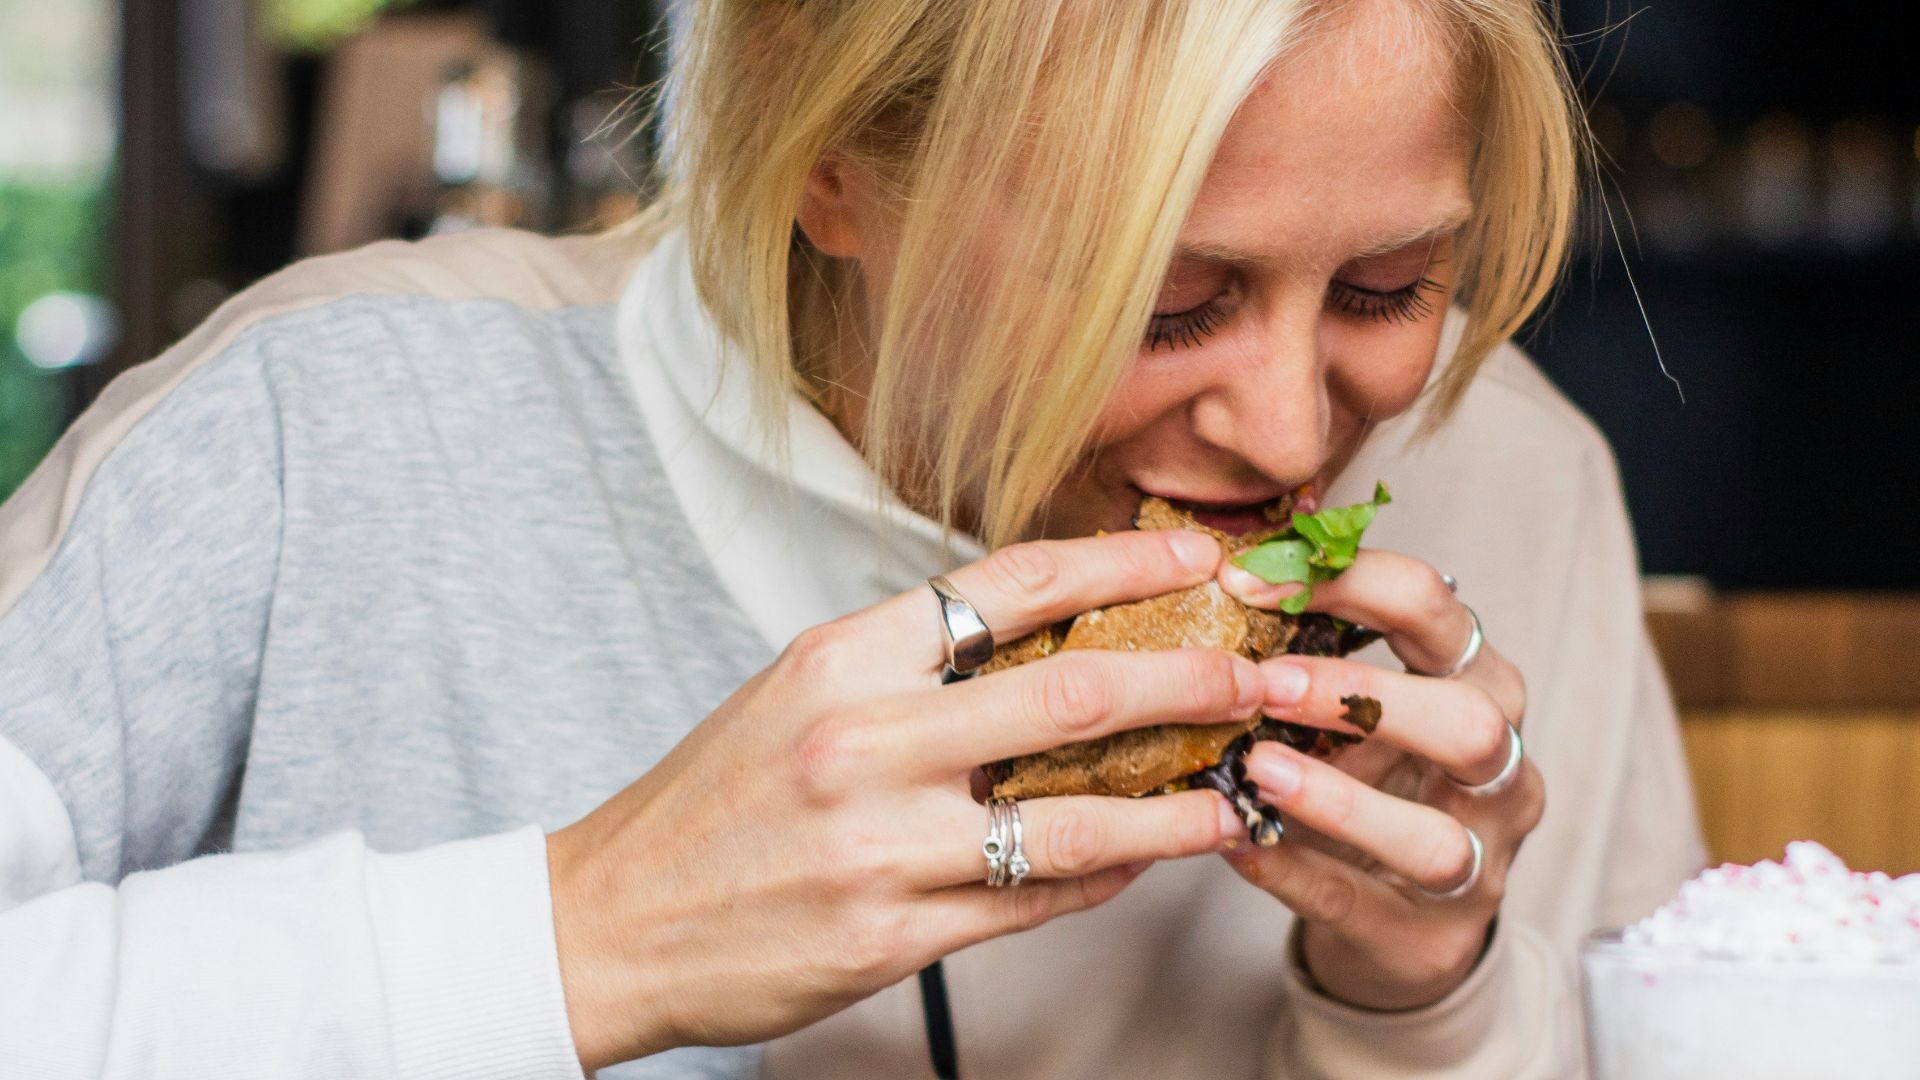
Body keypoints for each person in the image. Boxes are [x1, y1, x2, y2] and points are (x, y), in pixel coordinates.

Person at [0, 0, 1706, 1076]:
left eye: (1390, 290)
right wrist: (584, 932)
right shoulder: (326, 423)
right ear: (830, 161)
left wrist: (1425, 1004)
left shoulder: (1520, 486)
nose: (1288, 431)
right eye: (1164, 301)